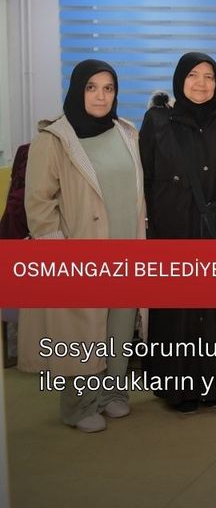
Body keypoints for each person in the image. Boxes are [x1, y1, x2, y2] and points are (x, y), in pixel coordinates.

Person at [19, 60, 145, 432]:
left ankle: (112, 394)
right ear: (77, 90)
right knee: (82, 332)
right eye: (92, 87)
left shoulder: (126, 131)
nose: (101, 96)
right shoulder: (54, 139)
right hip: (82, 251)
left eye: (108, 88)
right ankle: (79, 406)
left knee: (119, 326)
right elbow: (38, 202)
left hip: (127, 247)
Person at [140, 53, 216, 413]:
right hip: (174, 227)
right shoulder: (157, 121)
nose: (201, 83)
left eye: (209, 76)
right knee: (179, 312)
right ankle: (179, 388)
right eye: (193, 75)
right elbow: (145, 177)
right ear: (180, 79)